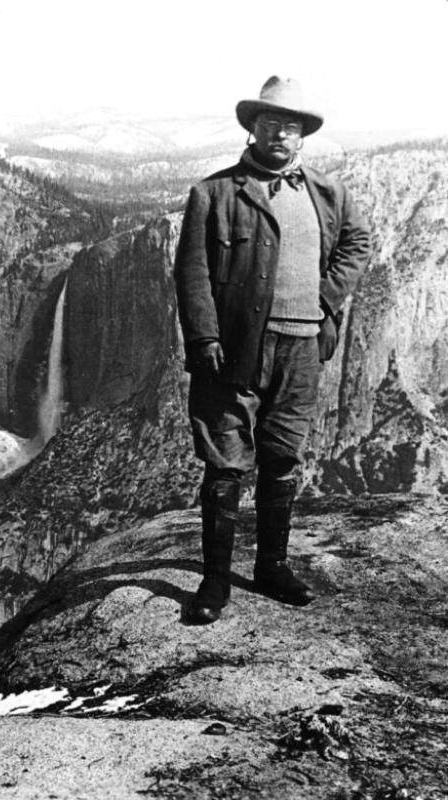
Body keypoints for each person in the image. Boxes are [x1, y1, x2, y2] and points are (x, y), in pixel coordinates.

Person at [174, 76, 371, 623]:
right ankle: (214, 581)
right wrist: (204, 336)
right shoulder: (214, 194)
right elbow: (191, 273)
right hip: (234, 350)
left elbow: (359, 243)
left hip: (302, 347)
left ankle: (271, 567)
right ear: (253, 129)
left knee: (283, 456)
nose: (280, 134)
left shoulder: (327, 194)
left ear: (302, 135)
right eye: (269, 124)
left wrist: (326, 300)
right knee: (225, 461)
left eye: (290, 126)